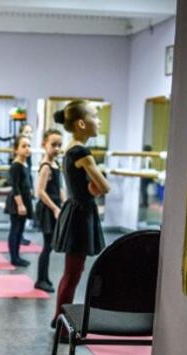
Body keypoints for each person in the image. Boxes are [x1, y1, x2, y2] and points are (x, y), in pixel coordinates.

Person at [52, 101, 111, 326]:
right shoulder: (82, 153)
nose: (99, 121)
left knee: (73, 272)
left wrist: (91, 187)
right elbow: (104, 187)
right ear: (81, 124)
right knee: (73, 273)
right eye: (95, 116)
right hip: (80, 215)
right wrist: (97, 182)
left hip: (77, 209)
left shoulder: (71, 149)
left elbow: (89, 188)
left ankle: (59, 319)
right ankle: (60, 322)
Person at [34, 129, 66, 292]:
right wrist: (54, 208)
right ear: (44, 145)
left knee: (50, 245)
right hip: (47, 208)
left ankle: (44, 277)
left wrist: (65, 202)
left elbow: (59, 187)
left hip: (54, 206)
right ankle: (40, 280)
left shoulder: (56, 164)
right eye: (53, 145)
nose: (57, 148)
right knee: (47, 246)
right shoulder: (46, 166)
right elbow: (40, 192)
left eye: (60, 145)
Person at [4, 135, 34, 267]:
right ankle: (14, 258)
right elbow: (15, 187)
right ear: (16, 149)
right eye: (24, 146)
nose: (27, 148)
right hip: (17, 201)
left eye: (29, 146)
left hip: (24, 199)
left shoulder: (24, 163)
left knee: (20, 229)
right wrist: (20, 205)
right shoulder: (16, 165)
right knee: (15, 229)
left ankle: (17, 256)